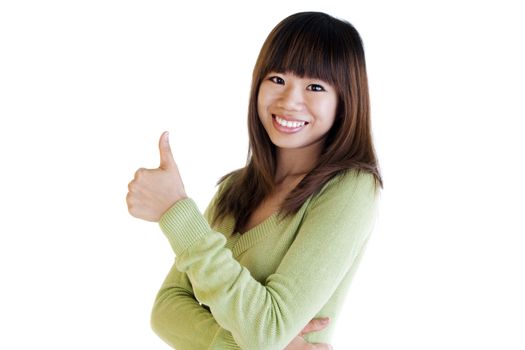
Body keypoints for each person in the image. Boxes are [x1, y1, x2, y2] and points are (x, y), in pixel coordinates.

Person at [126, 11, 383, 349]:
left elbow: (267, 331)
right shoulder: (234, 189)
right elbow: (165, 309)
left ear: (344, 102)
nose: (289, 100)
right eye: (277, 79)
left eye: (315, 86)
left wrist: (177, 212)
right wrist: (243, 343)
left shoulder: (351, 188)